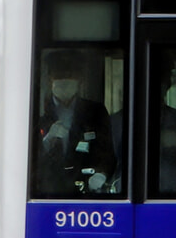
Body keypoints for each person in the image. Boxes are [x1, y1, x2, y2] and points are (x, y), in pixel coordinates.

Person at [35, 50, 117, 196]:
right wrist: (48, 140)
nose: (65, 80)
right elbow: (29, 156)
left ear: (79, 79)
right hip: (46, 192)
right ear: (50, 79)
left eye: (70, 75)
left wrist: (101, 175)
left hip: (86, 190)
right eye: (59, 76)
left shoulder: (95, 112)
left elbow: (107, 153)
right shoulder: (37, 111)